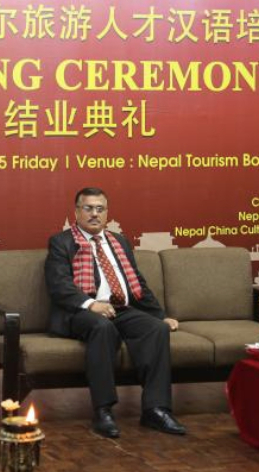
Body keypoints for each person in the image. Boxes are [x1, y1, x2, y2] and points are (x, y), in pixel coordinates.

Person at [44, 187, 185, 439]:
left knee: (156, 329)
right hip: (80, 311)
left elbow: (137, 283)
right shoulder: (61, 242)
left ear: (107, 213)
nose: (94, 214)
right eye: (88, 208)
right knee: (102, 327)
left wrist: (159, 315)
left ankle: (155, 409)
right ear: (76, 211)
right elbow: (59, 286)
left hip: (120, 308)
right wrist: (90, 304)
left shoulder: (119, 241)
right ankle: (103, 411)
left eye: (100, 209)